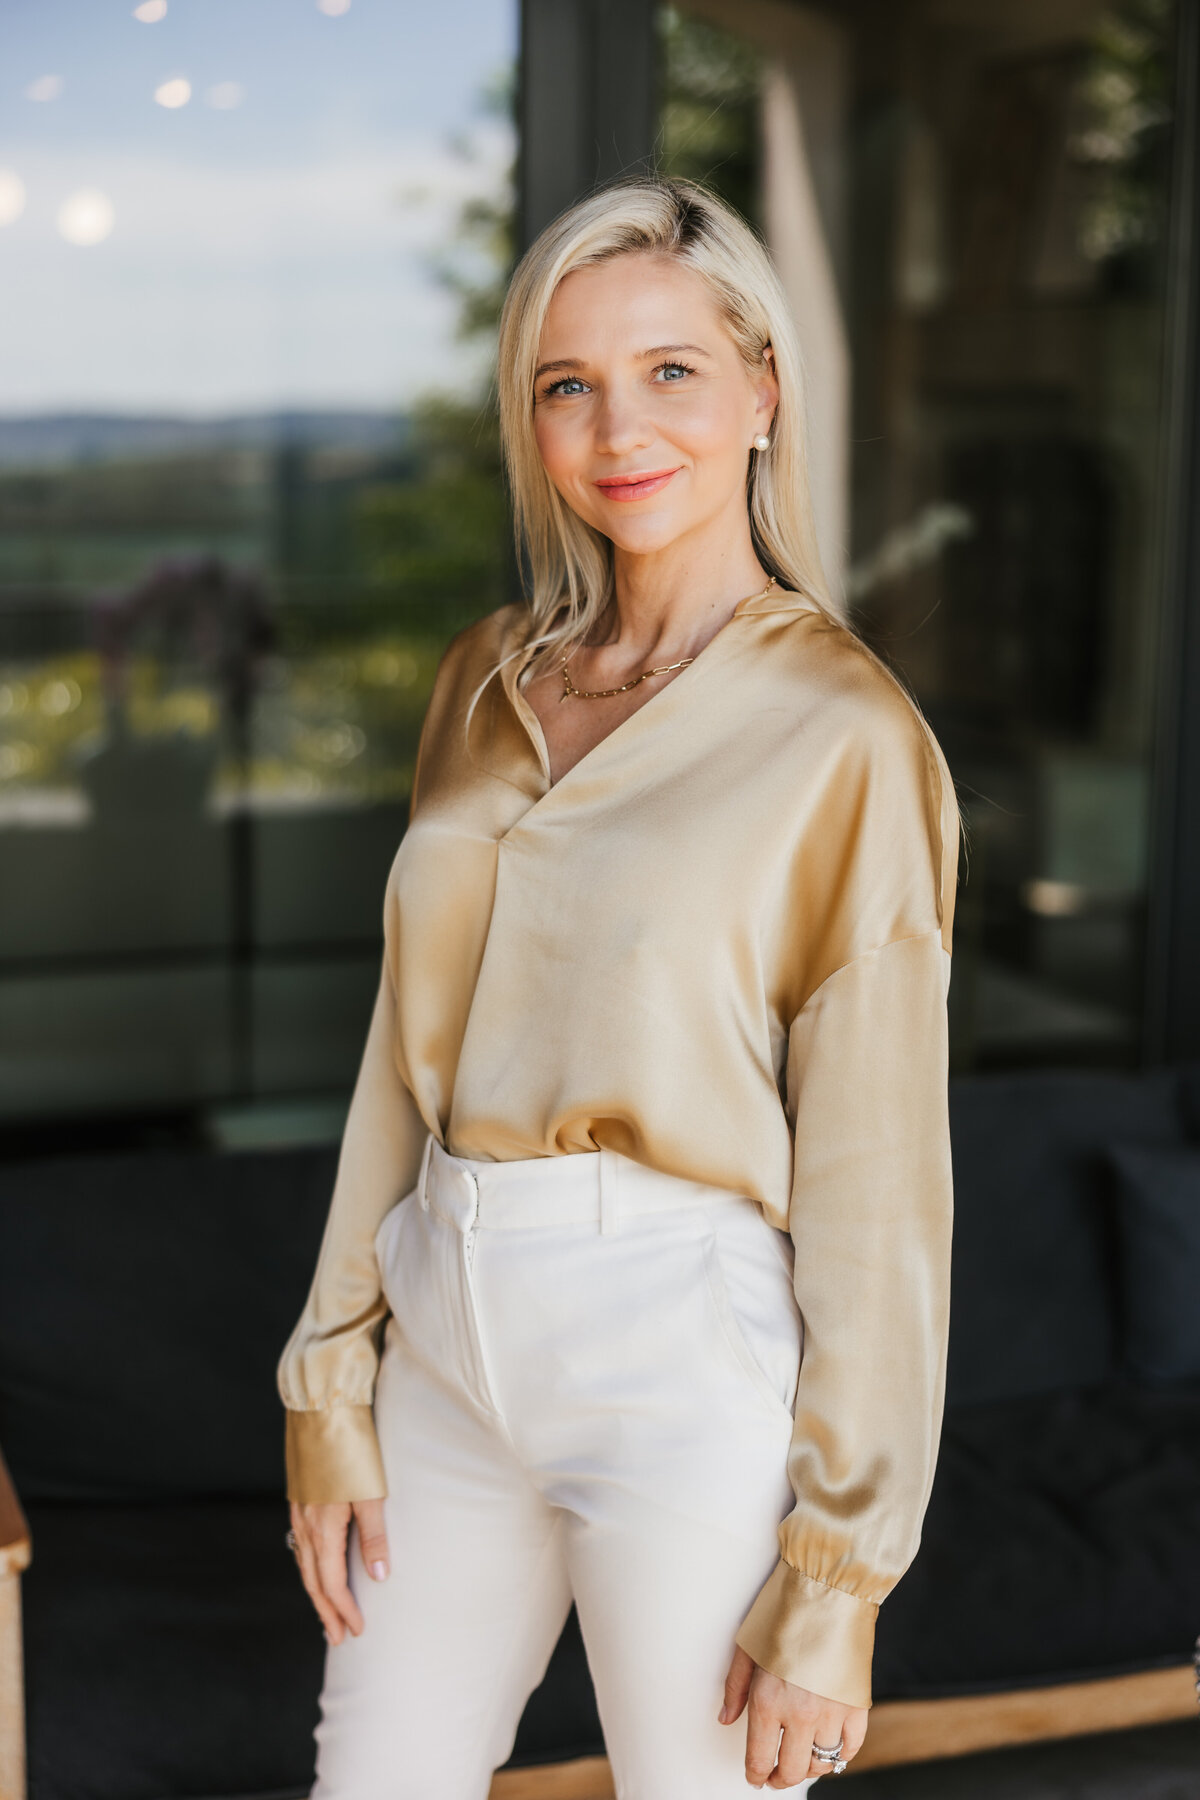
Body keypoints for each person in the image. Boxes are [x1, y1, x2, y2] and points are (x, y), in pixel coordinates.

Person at [277, 174, 960, 1799]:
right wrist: (331, 1375)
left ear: (761, 391)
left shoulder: (847, 735)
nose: (617, 428)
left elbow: (880, 1179)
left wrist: (841, 1572)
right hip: (441, 1316)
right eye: (567, 383)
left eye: (671, 371)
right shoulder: (484, 678)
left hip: (677, 1349)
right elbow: (402, 1053)